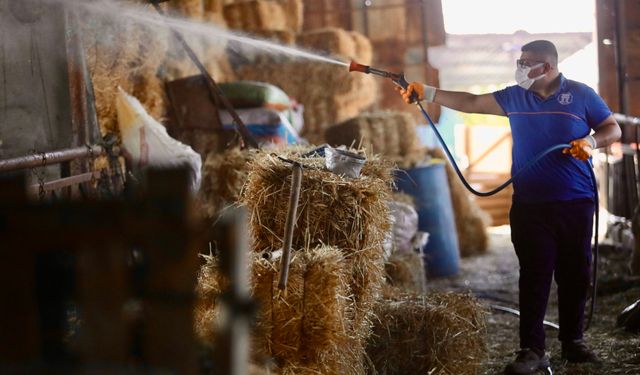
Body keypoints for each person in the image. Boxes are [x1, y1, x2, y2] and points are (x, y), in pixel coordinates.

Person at [397, 40, 621, 374]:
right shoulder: (515, 96)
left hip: (576, 201)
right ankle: (532, 350)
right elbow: (472, 102)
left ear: (546, 67)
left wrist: (590, 142)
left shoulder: (581, 94)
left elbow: (612, 128)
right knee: (534, 273)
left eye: (524, 62)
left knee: (576, 273)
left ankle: (573, 342)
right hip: (530, 204)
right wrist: (426, 91)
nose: (519, 67)